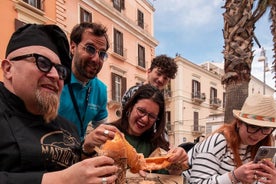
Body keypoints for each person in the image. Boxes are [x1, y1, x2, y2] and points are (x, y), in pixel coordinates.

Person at [0, 23, 118, 184]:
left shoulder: (70, 128)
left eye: (61, 70)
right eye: (43, 63)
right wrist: (62, 179)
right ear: (8, 69)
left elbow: (76, 162)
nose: (55, 75)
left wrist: (86, 149)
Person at [92, 84, 187, 175]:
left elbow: (170, 176)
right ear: (130, 107)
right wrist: (87, 147)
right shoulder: (108, 133)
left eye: (152, 116)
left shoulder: (158, 145)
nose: (145, 119)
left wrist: (178, 164)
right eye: (141, 111)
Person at [183, 94, 276, 184]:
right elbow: (196, 182)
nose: (258, 135)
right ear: (239, 123)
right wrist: (234, 176)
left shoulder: (260, 147)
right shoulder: (218, 141)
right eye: (253, 127)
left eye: (266, 128)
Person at [59, 22, 109, 140]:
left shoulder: (101, 89)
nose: (96, 59)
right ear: (72, 47)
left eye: (102, 54)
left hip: (81, 152)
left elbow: (104, 130)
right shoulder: (55, 79)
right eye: (90, 49)